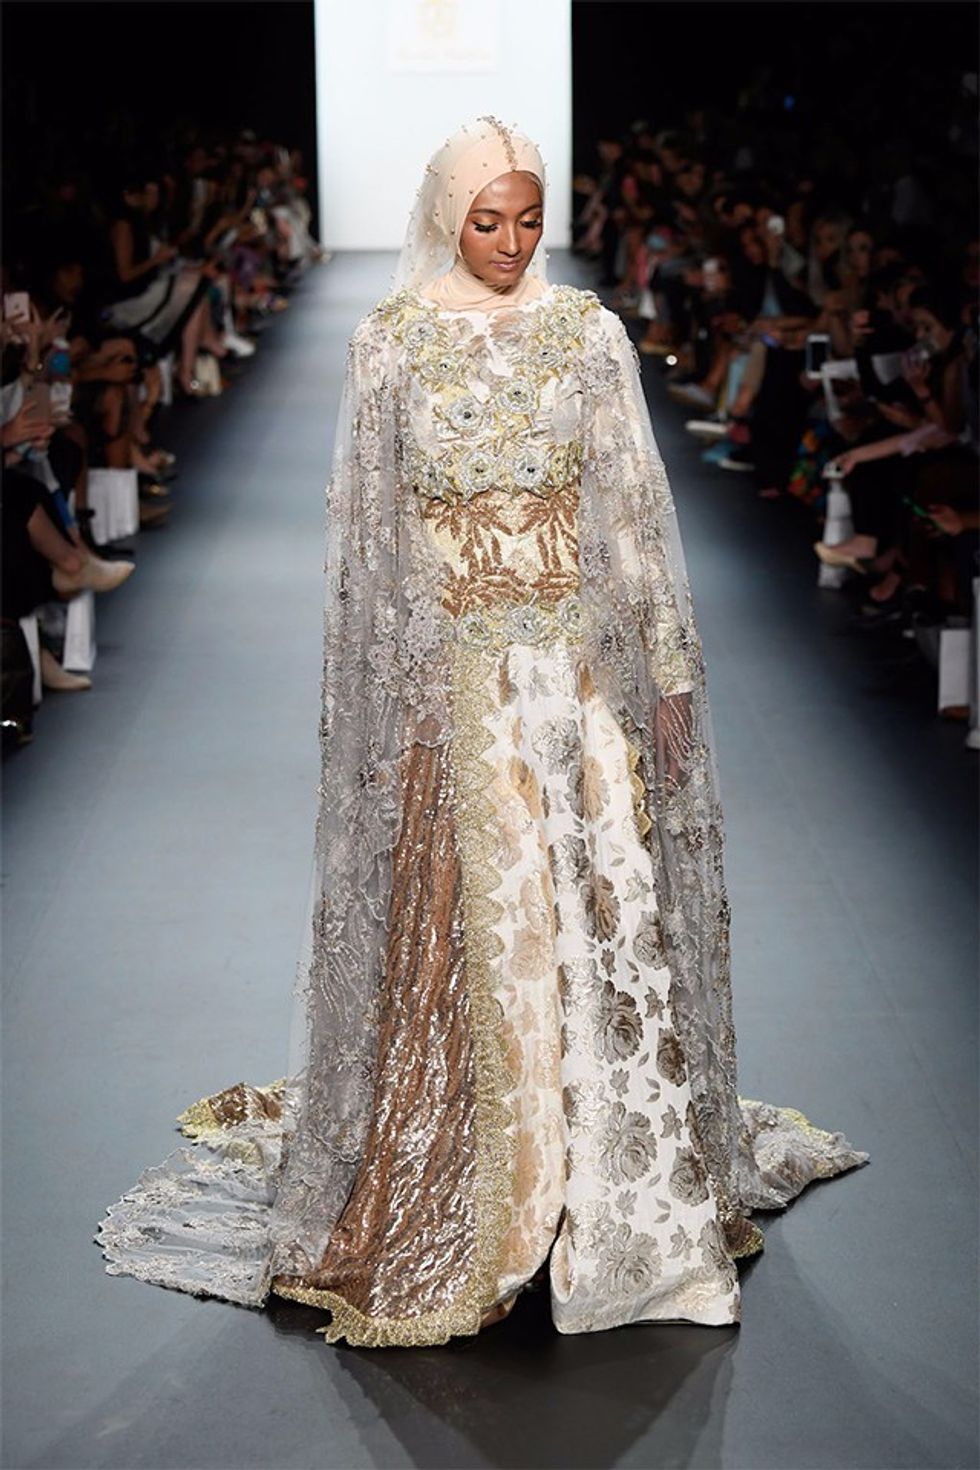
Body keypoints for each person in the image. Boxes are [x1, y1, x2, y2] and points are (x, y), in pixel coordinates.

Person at [96, 118, 867, 1347]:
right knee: (474, 945)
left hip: (577, 687)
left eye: (524, 219)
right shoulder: (392, 344)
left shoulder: (586, 335)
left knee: (601, 929)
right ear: (445, 215)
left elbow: (626, 515)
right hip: (455, 693)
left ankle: (618, 1207)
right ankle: (469, 1190)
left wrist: (662, 678)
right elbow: (375, 550)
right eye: (484, 220)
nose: (509, 245)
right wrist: (391, 705)